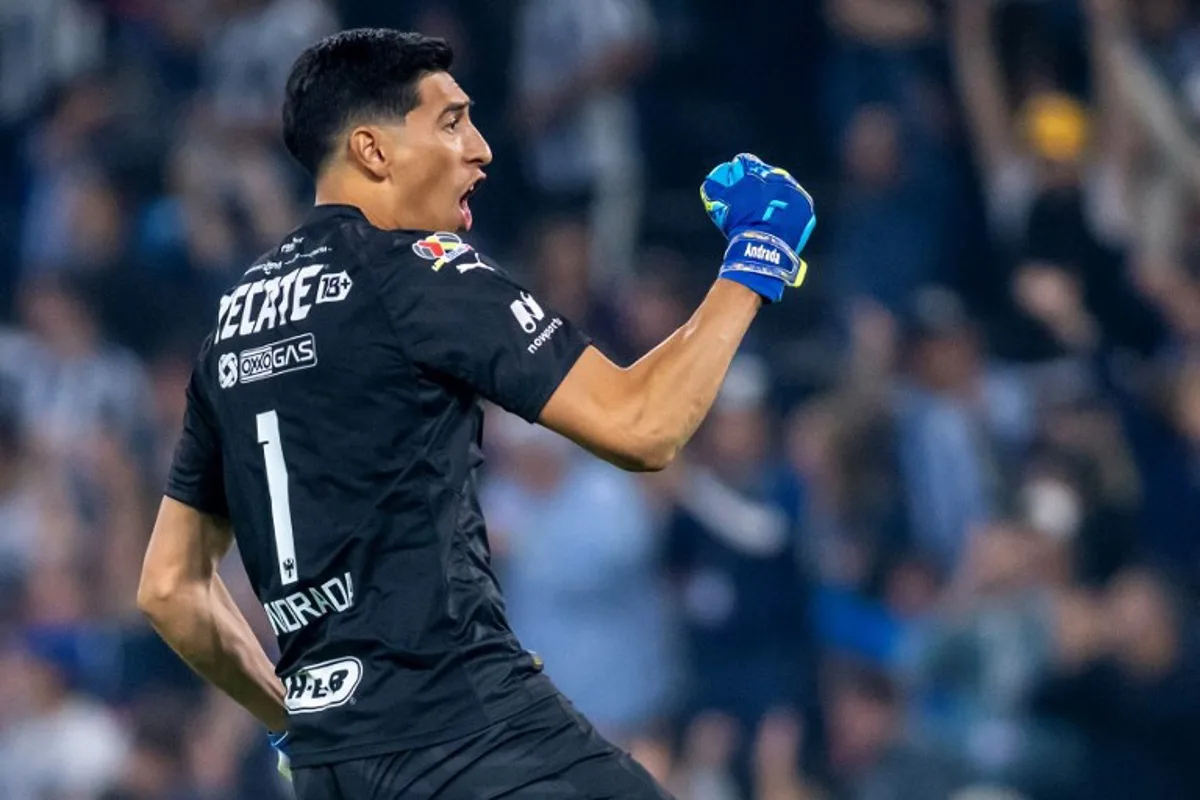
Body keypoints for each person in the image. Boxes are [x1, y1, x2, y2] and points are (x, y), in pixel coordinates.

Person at [135, 28, 816, 800]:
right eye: (451, 122)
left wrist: (295, 720)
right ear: (373, 150)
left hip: (335, 768)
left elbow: (170, 588)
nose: (482, 149)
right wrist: (756, 256)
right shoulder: (417, 272)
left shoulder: (232, 326)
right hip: (472, 735)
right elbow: (644, 427)